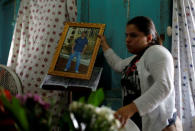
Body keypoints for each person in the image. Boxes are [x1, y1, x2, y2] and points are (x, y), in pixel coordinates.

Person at [99, 16, 181, 131]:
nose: (127, 39)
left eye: (133, 35)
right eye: (126, 35)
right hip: (143, 125)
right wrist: (103, 44)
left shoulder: (157, 52)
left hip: (163, 126)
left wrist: (131, 108)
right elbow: (117, 65)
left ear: (149, 38)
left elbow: (164, 85)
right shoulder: (137, 59)